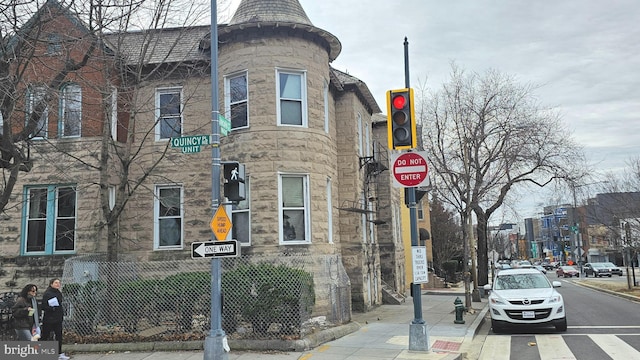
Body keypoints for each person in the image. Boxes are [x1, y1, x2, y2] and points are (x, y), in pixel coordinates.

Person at [41, 278, 69, 360]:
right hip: (49, 319)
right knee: (45, 335)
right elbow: (43, 306)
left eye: (59, 283)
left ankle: (59, 353)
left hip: (58, 318)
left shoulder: (58, 293)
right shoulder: (47, 294)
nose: (58, 284)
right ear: (51, 284)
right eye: (56, 283)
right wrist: (52, 308)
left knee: (59, 336)